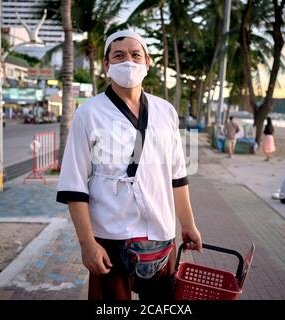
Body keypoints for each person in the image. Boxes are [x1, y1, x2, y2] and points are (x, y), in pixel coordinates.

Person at [56, 30, 202, 300]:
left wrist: (187, 224)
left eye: (136, 55)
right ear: (106, 65)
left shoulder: (165, 111)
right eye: (119, 55)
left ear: (147, 62)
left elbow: (177, 176)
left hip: (160, 233)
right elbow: (74, 186)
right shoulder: (88, 114)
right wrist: (87, 244)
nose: (129, 62)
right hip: (110, 238)